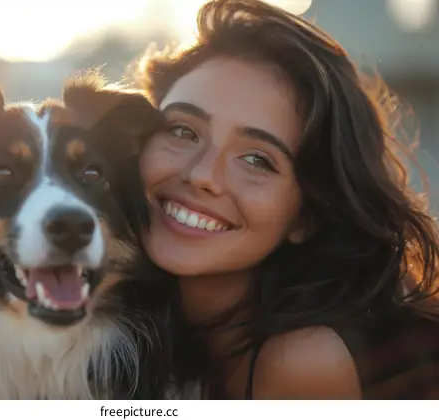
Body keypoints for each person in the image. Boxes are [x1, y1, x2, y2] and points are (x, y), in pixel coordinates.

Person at [129, 0, 439, 399]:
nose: (202, 174)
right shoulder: (129, 327)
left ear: (307, 214)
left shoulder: (303, 360)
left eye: (257, 159)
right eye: (183, 132)